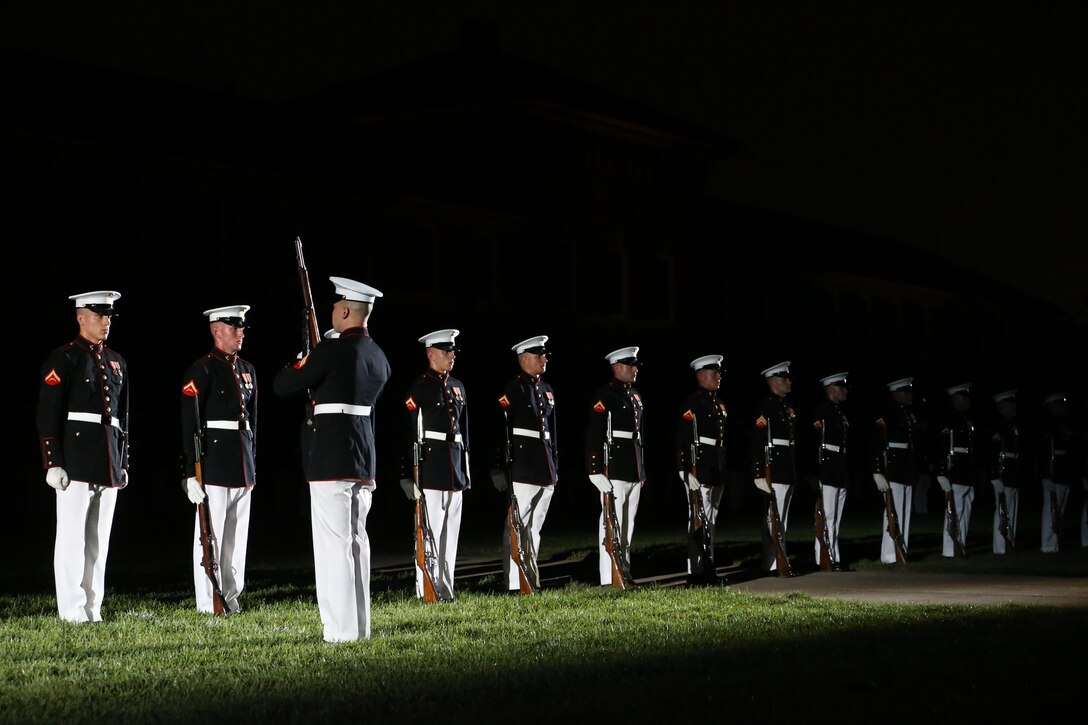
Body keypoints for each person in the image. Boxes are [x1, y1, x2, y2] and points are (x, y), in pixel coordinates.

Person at [273, 276, 391, 642]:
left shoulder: (333, 350)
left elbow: (283, 385)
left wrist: (303, 359)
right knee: (356, 543)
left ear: (343, 311)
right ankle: (358, 626)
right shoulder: (378, 355)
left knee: (333, 547)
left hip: (330, 458)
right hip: (361, 456)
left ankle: (341, 631)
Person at [36, 290, 129, 623]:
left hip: (107, 457)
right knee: (73, 537)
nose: (106, 322)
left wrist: (122, 460)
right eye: (99, 315)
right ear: (80, 317)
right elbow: (48, 413)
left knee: (98, 540)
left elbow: (122, 417)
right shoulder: (65, 357)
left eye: (108, 316)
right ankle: (73, 610)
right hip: (76, 457)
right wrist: (53, 461)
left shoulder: (117, 361)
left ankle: (93, 608)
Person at [179, 304, 257, 614]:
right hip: (214, 462)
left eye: (241, 327)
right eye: (233, 326)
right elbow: (190, 422)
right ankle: (208, 601)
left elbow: (252, 422)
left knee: (236, 539)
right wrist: (188, 473)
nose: (240, 332)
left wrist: (252, 463)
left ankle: (231, 597)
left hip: (241, 462)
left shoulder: (247, 370)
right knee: (210, 536)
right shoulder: (202, 369)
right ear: (216, 331)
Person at [398, 328, 470, 601]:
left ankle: (446, 587)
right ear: (431, 354)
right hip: (430, 468)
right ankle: (425, 587)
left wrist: (465, 470)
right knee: (429, 533)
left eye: (452, 351)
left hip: (454, 467)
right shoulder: (420, 387)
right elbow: (408, 432)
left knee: (450, 535)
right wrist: (406, 474)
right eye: (445, 351)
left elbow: (464, 432)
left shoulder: (458, 387)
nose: (451, 355)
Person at [492, 335, 558, 591]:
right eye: (538, 355)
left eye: (544, 355)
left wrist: (554, 465)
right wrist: (498, 465)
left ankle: (530, 576)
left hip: (544, 466)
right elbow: (500, 428)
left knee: (535, 528)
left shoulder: (546, 389)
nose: (544, 359)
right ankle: (514, 581)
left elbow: (552, 433)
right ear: (523, 359)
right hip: (522, 465)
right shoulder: (514, 389)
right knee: (517, 524)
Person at [585, 346, 646, 586]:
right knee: (612, 523)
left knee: (627, 525)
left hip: (632, 468)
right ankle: (609, 575)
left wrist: (641, 469)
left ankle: (624, 571)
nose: (635, 369)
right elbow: (594, 434)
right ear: (616, 367)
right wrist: (595, 469)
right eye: (630, 365)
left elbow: (640, 436)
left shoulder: (635, 396)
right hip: (615, 468)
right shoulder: (605, 395)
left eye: (635, 364)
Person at [676, 354, 728, 584]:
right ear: (700, 376)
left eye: (718, 372)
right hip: (700, 466)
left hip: (715, 464)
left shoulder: (717, 403)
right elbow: (683, 437)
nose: (718, 376)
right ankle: (696, 571)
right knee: (698, 519)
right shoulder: (693, 402)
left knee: (711, 521)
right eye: (712, 372)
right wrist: (684, 467)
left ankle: (708, 566)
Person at [751, 360, 797, 574]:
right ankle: (772, 562)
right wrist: (759, 472)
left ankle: (780, 558)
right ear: (773, 382)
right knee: (773, 516)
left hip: (785, 466)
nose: (788, 382)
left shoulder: (786, 407)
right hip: (774, 468)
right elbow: (759, 441)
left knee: (782, 517)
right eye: (783, 378)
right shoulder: (766, 407)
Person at [871, 377, 920, 564]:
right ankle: (890, 554)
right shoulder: (888, 413)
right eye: (906, 392)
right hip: (893, 467)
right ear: (896, 393)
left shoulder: (907, 413)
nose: (910, 395)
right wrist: (877, 469)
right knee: (893, 510)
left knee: (904, 511)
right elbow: (877, 441)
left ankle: (902, 549)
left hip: (906, 466)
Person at [810, 372, 850, 571]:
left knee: (836, 515)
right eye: (840, 387)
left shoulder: (839, 412)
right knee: (828, 515)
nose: (845, 391)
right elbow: (815, 442)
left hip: (838, 465)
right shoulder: (822, 412)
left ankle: (834, 555)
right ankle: (824, 556)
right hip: (827, 465)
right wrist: (816, 471)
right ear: (830, 390)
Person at [935, 383, 979, 557]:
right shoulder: (948, 419)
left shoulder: (966, 419)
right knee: (954, 510)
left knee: (965, 509)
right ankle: (949, 549)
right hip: (955, 468)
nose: (967, 400)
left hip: (966, 468)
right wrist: (941, 471)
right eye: (963, 396)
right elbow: (941, 446)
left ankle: (960, 546)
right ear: (954, 398)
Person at [1039, 392, 1086, 552]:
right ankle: (1048, 545)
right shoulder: (1048, 425)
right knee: (1052, 508)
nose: (1062, 407)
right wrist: (1046, 474)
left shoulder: (1063, 424)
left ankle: (1054, 543)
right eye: (1058, 404)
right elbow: (1044, 452)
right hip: (1054, 471)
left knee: (1059, 508)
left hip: (1064, 471)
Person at [987, 389, 1022, 554]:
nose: (1013, 406)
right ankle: (1000, 546)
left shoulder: (1011, 423)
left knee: (1011, 506)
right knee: (1003, 506)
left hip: (1012, 467)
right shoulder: (996, 423)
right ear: (1000, 405)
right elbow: (992, 450)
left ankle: (1009, 541)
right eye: (1009, 403)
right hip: (1002, 469)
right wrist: (994, 474)